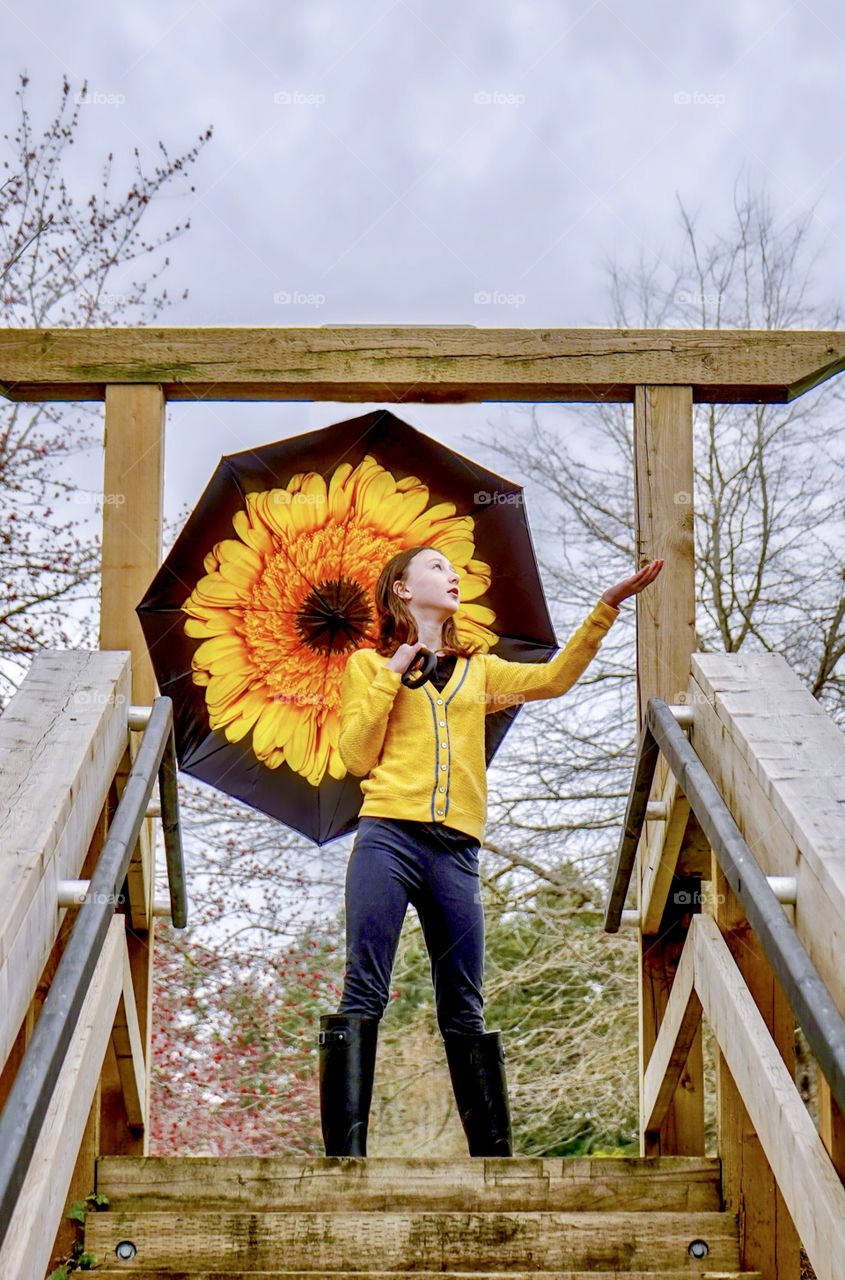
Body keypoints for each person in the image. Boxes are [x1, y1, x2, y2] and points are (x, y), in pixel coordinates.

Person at [318, 544, 664, 1158]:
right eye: (435, 567)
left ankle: (494, 1167)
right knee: (363, 989)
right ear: (401, 589)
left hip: (455, 855)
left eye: (454, 569)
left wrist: (606, 607)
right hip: (387, 841)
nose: (451, 575)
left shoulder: (480, 671)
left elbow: (552, 681)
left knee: (466, 1005)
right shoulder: (368, 667)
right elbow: (354, 756)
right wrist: (393, 674)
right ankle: (344, 1161)